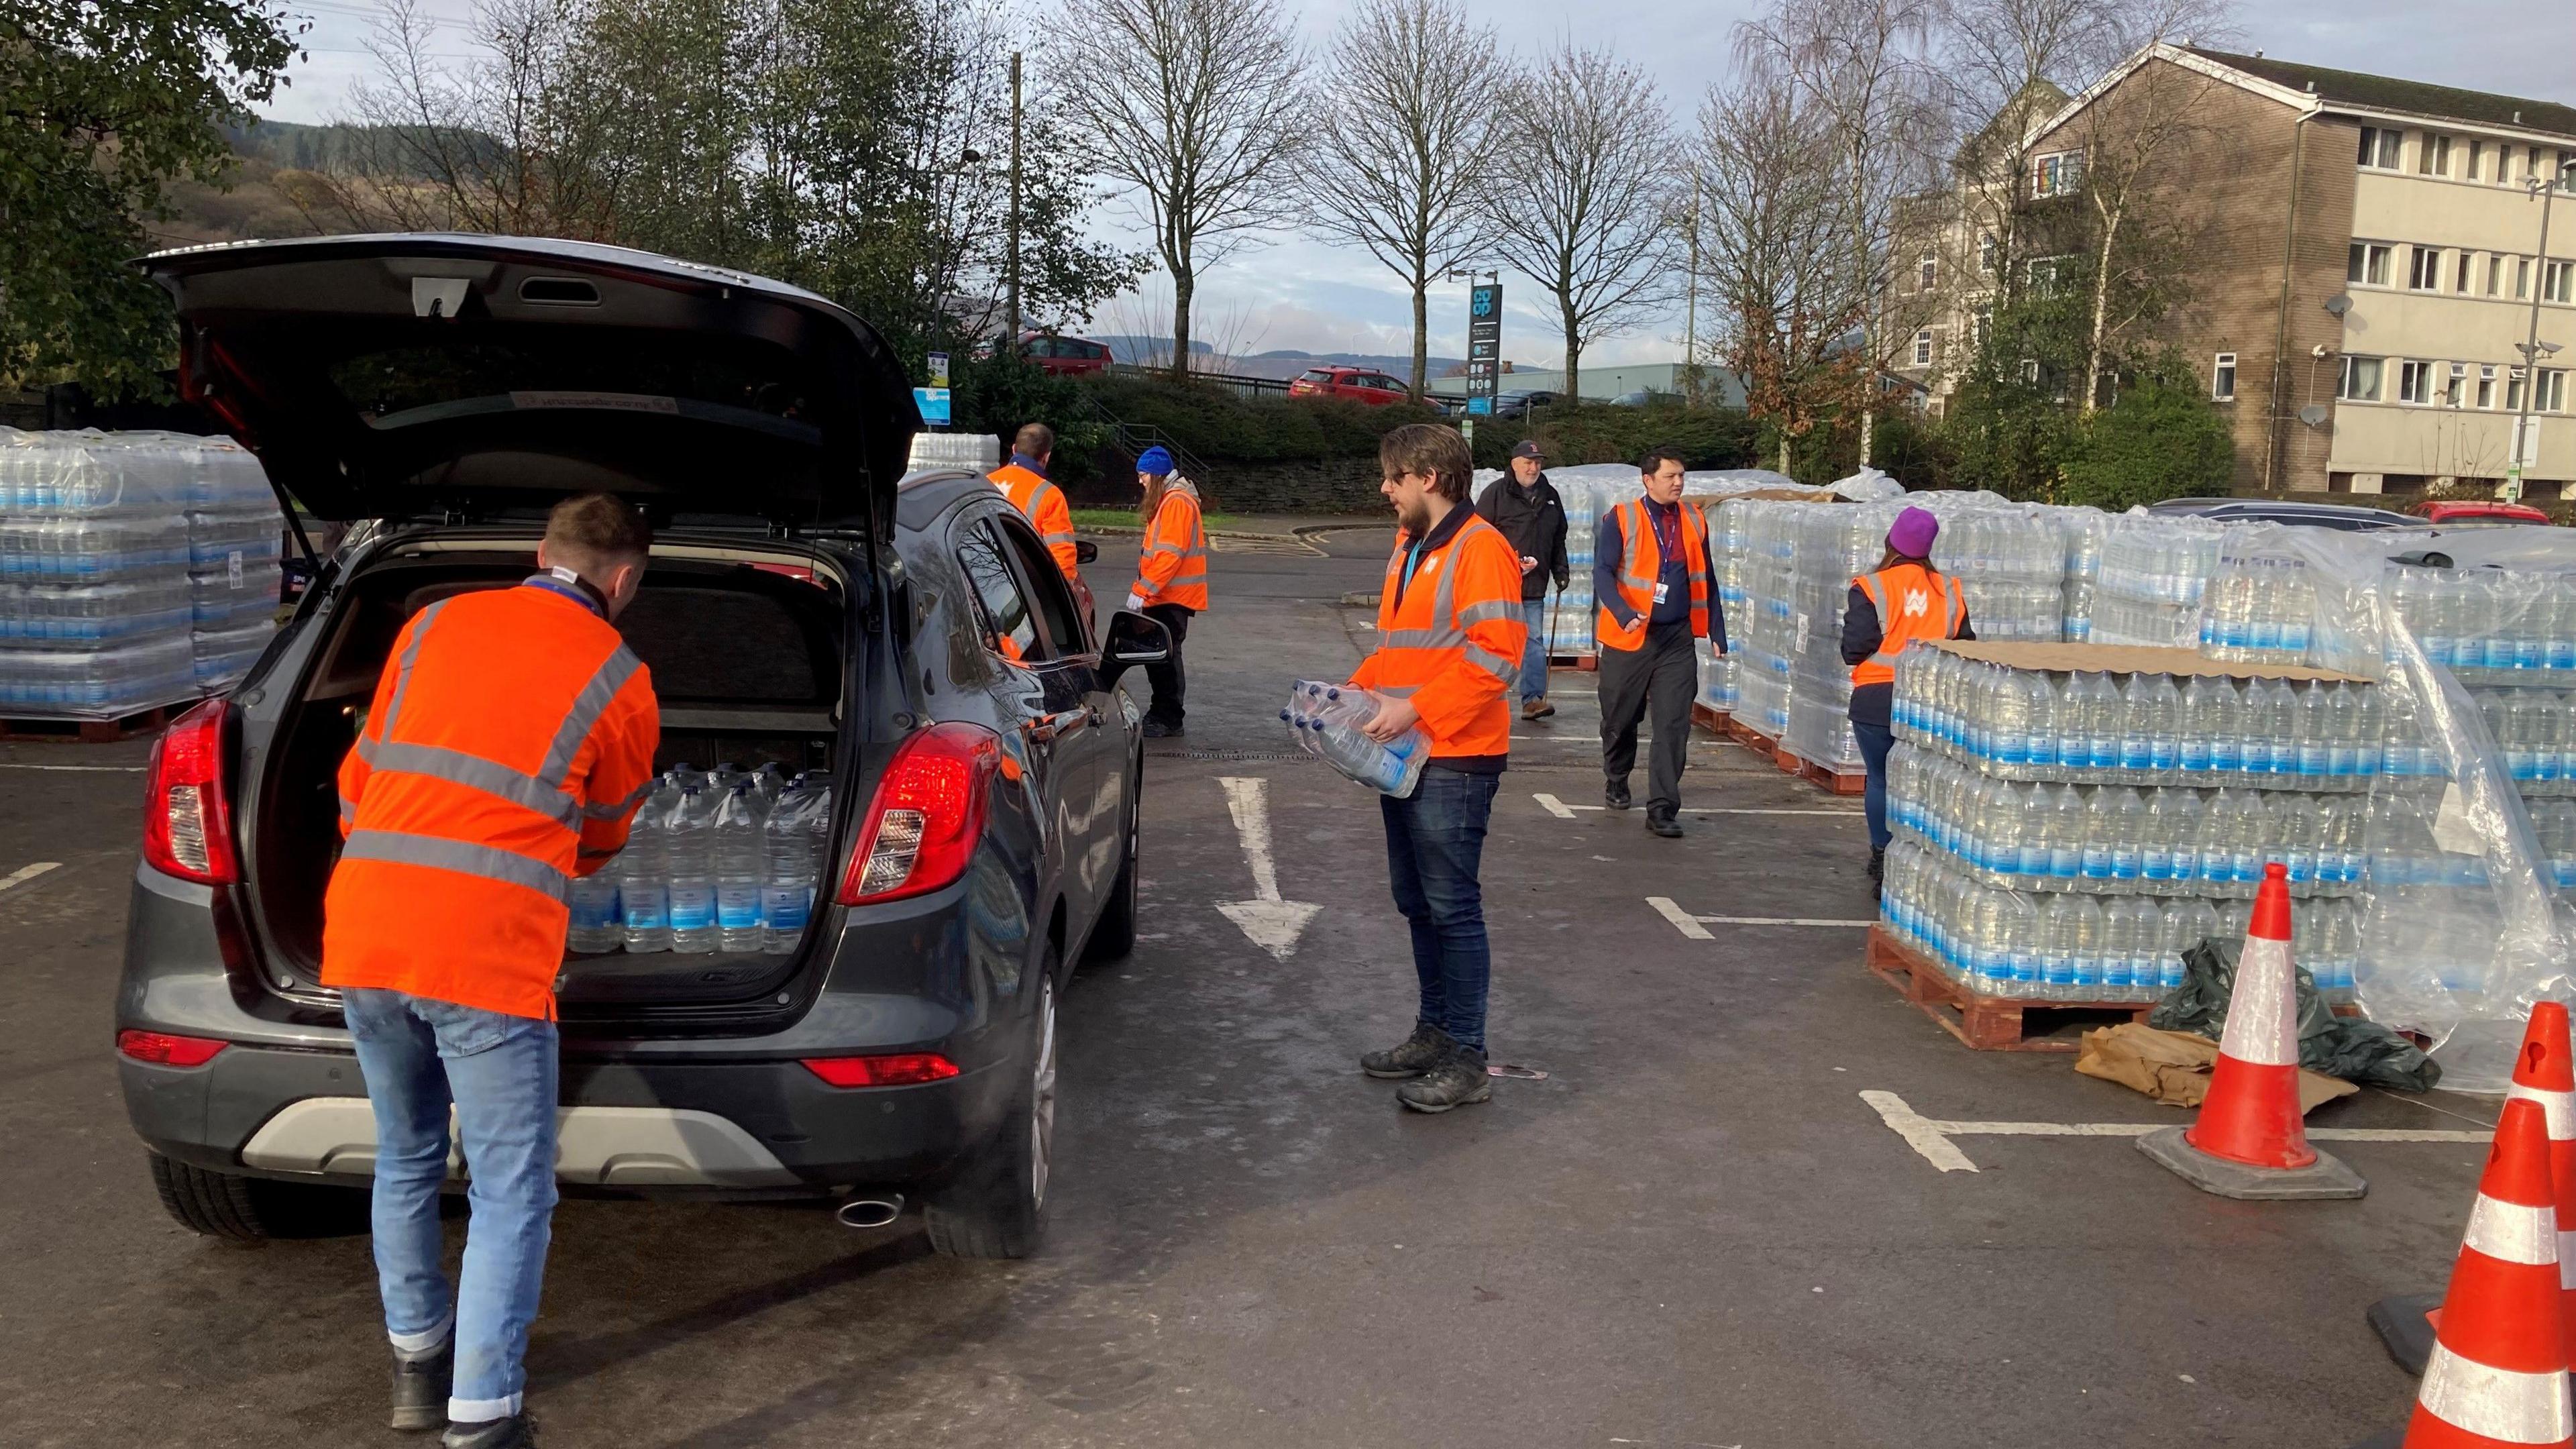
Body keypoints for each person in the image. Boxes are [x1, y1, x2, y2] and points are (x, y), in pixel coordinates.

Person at [323, 494, 661, 1448]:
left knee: (406, 1153)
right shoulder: (620, 675)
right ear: (623, 579)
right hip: (486, 952)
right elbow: (607, 830)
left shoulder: (432, 623)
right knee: (512, 1184)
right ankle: (483, 1415)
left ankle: (417, 1367)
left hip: (365, 929)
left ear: (536, 551)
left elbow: (360, 778)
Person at [1350, 423, 1527, 1113]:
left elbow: (1498, 657)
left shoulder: (1482, 549)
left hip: (1454, 757)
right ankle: (1435, 1034)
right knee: (1418, 903)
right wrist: (1349, 694)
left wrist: (1414, 709)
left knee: (1453, 909)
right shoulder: (1412, 545)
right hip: (1412, 752)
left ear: (1429, 476)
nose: (1385, 488)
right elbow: (1400, 649)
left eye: (1394, 477)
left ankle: (1468, 1056)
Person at [1593, 447, 1722, 839]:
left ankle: (1663, 808)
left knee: (1673, 724)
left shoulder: (1695, 519)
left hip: (1676, 639)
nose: (1679, 483)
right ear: (1647, 480)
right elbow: (1603, 571)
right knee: (1620, 718)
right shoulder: (1622, 517)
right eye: (1670, 476)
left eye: (1682, 475)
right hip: (1630, 636)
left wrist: (1717, 628)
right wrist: (1621, 611)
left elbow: (1708, 578)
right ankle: (1617, 776)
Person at [1843, 505, 1972, 892]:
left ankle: (1883, 858)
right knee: (1926, 783)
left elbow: (1854, 649)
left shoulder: (1871, 587)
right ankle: (1922, 864)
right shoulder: (1950, 590)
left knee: (1881, 780)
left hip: (1877, 699)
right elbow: (1968, 647)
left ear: (1892, 541)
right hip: (1932, 701)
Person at [1473, 438, 1570, 720]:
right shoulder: (1495, 494)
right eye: (1528, 462)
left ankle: (1533, 700)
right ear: (1514, 464)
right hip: (1498, 584)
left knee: (1534, 642)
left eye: (1538, 462)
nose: (1533, 467)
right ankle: (1481, 698)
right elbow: (1477, 537)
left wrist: (1561, 571)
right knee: (1489, 642)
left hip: (1534, 585)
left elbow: (1558, 538)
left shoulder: (1550, 496)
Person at [1125, 445, 1207, 738]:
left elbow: (1169, 555)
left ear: (1157, 476)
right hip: (1165, 596)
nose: (1140, 481)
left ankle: (1168, 717)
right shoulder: (1172, 501)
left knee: (1164, 659)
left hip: (1169, 597)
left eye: (1143, 475)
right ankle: (1165, 714)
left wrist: (1143, 590)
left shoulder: (1175, 503)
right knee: (1161, 658)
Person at [990, 422, 1079, 583]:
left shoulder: (986, 482)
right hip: (1025, 586)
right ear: (1047, 456)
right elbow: (1062, 557)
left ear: (1014, 449)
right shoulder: (1049, 495)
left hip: (985, 579)